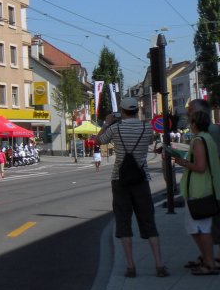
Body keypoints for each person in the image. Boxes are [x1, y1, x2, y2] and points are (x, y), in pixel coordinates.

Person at [94, 97, 168, 278]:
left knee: (123, 221)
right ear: (137, 111)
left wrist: (107, 122)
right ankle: (159, 264)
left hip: (120, 179)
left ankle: (131, 266)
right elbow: (152, 143)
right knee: (148, 221)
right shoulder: (147, 128)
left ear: (122, 111)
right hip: (141, 179)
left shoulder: (115, 128)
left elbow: (99, 140)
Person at [167, 105, 219, 275]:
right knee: (198, 227)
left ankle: (209, 263)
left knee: (200, 229)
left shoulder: (198, 141)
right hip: (203, 189)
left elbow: (200, 167)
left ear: (195, 123)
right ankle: (207, 259)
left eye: (190, 122)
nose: (189, 124)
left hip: (199, 191)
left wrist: (182, 162)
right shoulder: (207, 138)